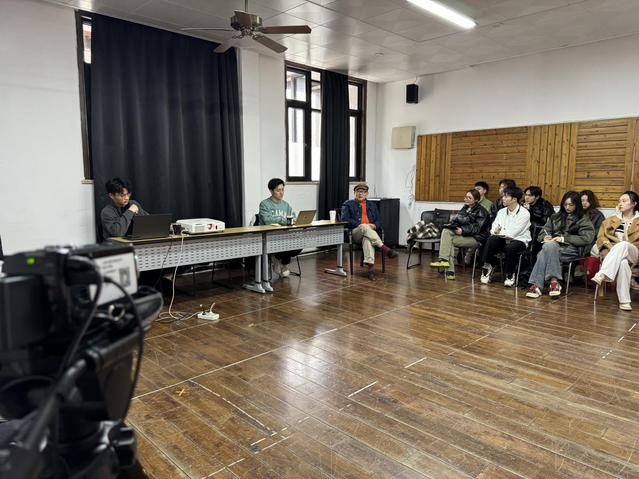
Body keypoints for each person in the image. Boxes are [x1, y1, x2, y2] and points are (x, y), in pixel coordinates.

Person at [526, 191, 595, 299]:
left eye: (571, 205)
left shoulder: (583, 219)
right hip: (554, 247)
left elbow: (587, 238)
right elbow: (542, 234)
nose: (567, 207)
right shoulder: (555, 217)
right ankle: (554, 282)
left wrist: (563, 239)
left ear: (577, 205)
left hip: (571, 249)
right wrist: (545, 237)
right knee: (550, 246)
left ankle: (536, 285)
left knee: (544, 252)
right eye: (565, 204)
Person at [592, 191, 639, 311]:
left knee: (624, 244)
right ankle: (624, 301)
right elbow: (601, 237)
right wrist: (618, 218)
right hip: (614, 252)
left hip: (635, 252)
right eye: (619, 201)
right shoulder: (612, 219)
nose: (620, 203)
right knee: (623, 263)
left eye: (624, 201)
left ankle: (602, 274)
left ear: (634, 204)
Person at [341, 183, 397, 281]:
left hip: (368, 233)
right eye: (358, 191)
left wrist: (375, 225)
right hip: (355, 232)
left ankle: (371, 271)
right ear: (354, 193)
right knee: (364, 226)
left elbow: (378, 220)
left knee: (367, 239)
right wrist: (360, 224)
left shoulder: (372, 205)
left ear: (366, 194)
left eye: (362, 192)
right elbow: (344, 219)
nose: (360, 194)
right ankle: (384, 248)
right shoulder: (348, 204)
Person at [430, 189, 489, 280]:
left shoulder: (482, 211)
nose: (466, 199)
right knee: (446, 230)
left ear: (476, 200)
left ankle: (449, 270)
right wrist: (452, 225)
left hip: (476, 238)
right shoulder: (465, 208)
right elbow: (457, 220)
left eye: (469, 198)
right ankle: (444, 260)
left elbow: (477, 229)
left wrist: (462, 230)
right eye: (466, 197)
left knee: (449, 242)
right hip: (464, 235)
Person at [480, 187, 531, 286]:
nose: (503, 198)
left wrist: (500, 231)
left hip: (519, 240)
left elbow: (513, 233)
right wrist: (499, 232)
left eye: (506, 196)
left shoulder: (524, 213)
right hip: (503, 239)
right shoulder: (501, 212)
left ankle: (510, 273)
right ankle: (487, 266)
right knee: (491, 239)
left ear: (514, 199)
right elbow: (493, 229)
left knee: (511, 247)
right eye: (503, 196)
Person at [259, 178, 301, 278]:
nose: (281, 193)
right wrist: (284, 220)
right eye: (278, 190)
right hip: (269, 235)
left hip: (285, 235)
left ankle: (283, 264)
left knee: (298, 243)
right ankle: (276, 260)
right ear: (271, 191)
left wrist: (294, 220)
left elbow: (293, 218)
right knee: (282, 242)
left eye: (282, 190)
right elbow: (267, 220)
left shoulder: (286, 205)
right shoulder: (264, 204)